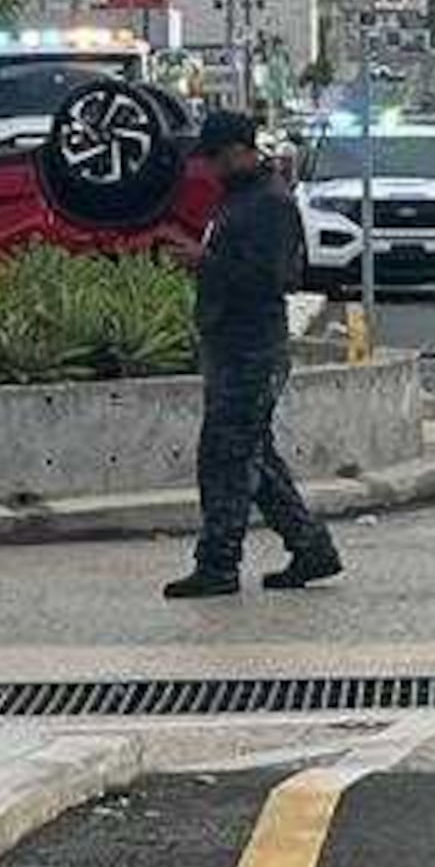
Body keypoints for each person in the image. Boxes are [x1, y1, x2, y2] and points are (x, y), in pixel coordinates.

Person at [164, 107, 342, 600]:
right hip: (230, 341)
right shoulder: (240, 199)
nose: (212, 169)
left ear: (242, 151)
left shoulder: (268, 202)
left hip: (252, 347)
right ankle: (311, 547)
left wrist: (207, 262)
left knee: (224, 456)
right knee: (253, 456)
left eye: (217, 158)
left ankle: (219, 564)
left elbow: (275, 278)